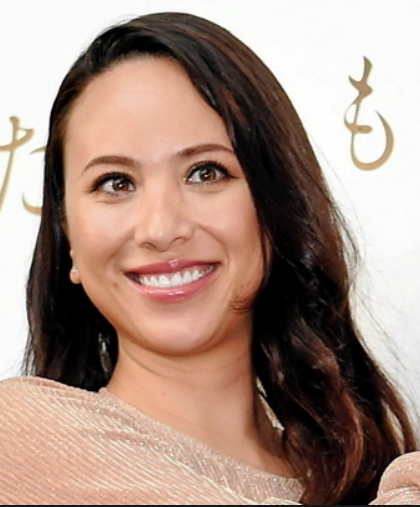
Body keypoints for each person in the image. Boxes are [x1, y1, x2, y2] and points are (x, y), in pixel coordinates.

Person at [0, 11, 416, 506]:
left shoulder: (361, 467)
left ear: (274, 206)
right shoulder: (20, 438)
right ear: (68, 236)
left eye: (206, 172)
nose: (161, 229)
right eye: (116, 182)